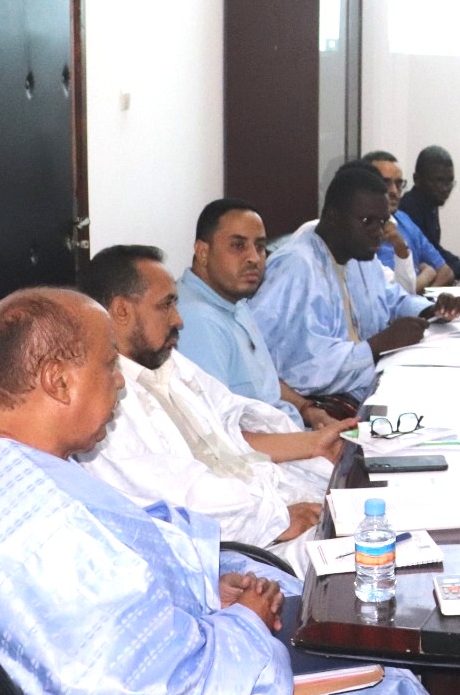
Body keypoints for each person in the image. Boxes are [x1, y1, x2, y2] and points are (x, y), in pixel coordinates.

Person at [0, 287, 460, 695]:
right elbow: (151, 694)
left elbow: (104, 580)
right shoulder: (48, 532)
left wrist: (201, 590)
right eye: (108, 366)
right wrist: (244, 623)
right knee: (389, 693)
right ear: (57, 381)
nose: (121, 382)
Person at [77, 245, 346, 574]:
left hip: (268, 498)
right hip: (239, 544)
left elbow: (230, 430)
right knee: (362, 556)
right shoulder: (101, 401)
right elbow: (176, 500)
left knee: (369, 504)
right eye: (166, 305)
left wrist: (313, 444)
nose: (179, 320)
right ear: (121, 311)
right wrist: (277, 519)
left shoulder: (170, 363)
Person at [254, 165, 460, 402]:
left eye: (382, 222)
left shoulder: (360, 254)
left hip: (371, 384)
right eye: (367, 221)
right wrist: (377, 345)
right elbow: (296, 366)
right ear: (333, 217)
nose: (378, 232)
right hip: (326, 405)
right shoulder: (296, 267)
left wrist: (431, 310)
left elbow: (391, 299)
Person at [177, 198, 337, 429]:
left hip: (290, 432)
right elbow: (220, 433)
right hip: (265, 447)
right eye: (238, 246)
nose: (254, 258)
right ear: (202, 252)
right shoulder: (197, 320)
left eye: (260, 247)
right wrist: (312, 443)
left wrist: (306, 409)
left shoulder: (232, 298)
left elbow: (263, 381)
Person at [361, 149, 454, 293]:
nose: (394, 191)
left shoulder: (404, 219)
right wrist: (427, 275)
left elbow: (445, 271)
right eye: (385, 183)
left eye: (398, 184)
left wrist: (422, 299)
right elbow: (391, 295)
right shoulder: (359, 230)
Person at [398, 144, 460, 280]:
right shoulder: (408, 210)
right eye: (439, 181)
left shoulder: (430, 203)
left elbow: (435, 249)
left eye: (450, 182)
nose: (445, 188)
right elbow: (430, 258)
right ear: (417, 179)